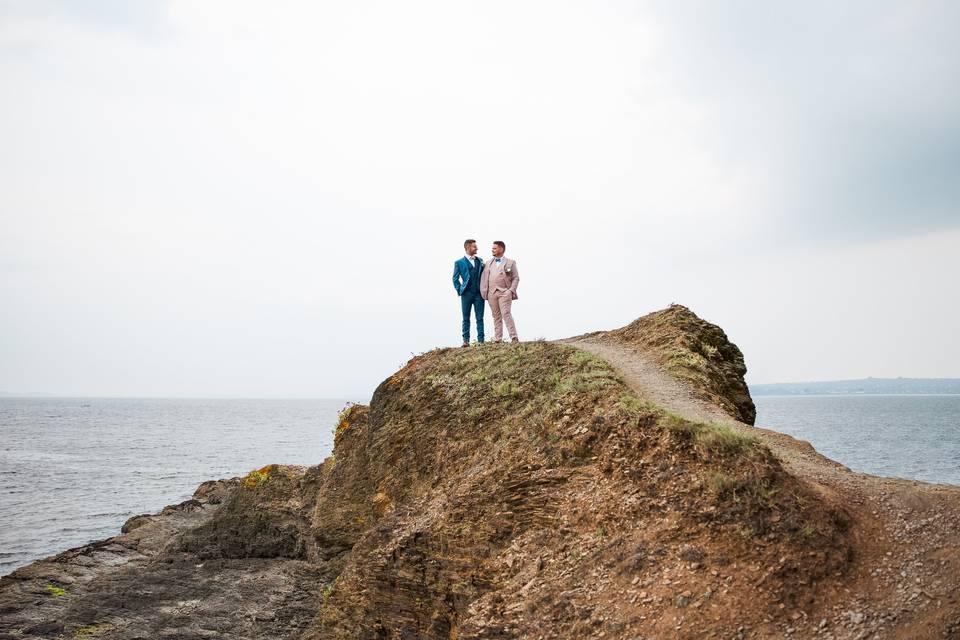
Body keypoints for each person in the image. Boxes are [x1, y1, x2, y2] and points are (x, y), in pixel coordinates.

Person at [480, 240, 520, 342]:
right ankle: (498, 339)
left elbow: (516, 278)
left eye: (494, 248)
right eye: (492, 248)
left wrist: (511, 290)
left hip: (505, 293)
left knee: (506, 313)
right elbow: (484, 277)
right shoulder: (488, 263)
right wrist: (485, 291)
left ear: (501, 249)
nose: (492, 250)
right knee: (496, 316)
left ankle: (514, 337)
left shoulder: (510, 262)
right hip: (491, 293)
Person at [452, 238, 485, 347]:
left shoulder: (480, 261)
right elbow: (455, 278)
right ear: (468, 248)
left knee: (480, 318)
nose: (477, 248)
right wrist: (460, 290)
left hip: (479, 294)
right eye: (474, 246)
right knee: (466, 318)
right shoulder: (459, 262)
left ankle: (481, 341)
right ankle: (466, 341)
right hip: (466, 294)